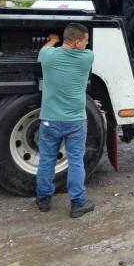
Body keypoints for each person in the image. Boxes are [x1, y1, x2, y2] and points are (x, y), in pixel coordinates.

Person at [35, 23, 96, 218]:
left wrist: (52, 40)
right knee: (76, 161)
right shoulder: (86, 58)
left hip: (49, 120)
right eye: (86, 41)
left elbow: (44, 50)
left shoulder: (48, 56)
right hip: (75, 121)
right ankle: (78, 204)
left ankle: (43, 200)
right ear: (77, 42)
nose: (87, 44)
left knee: (46, 160)